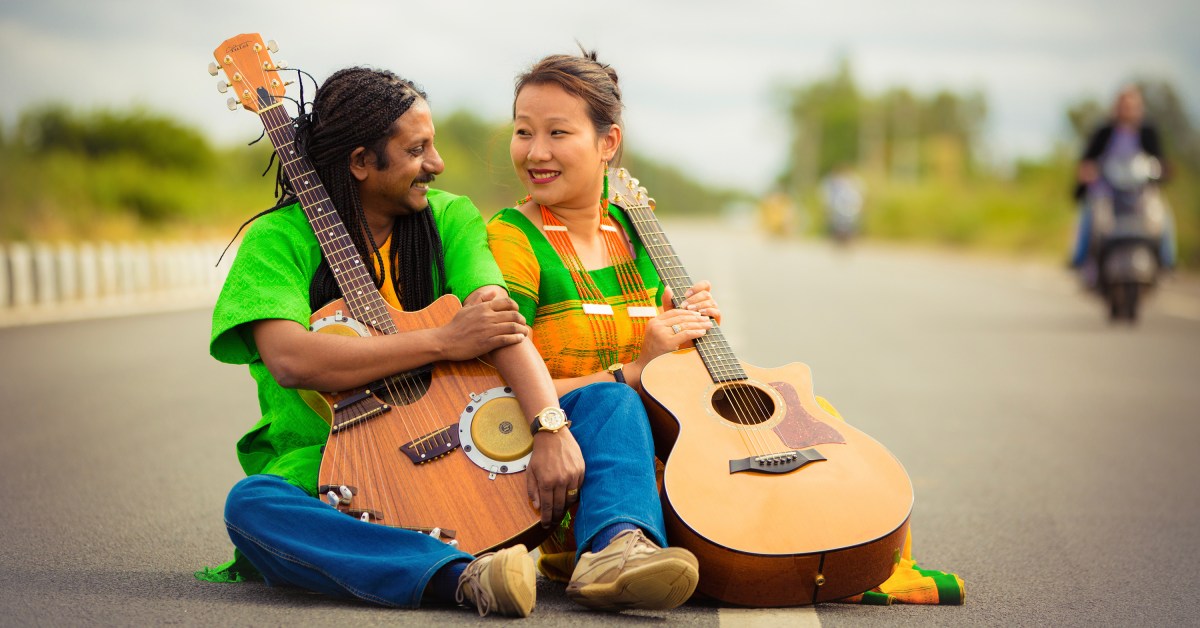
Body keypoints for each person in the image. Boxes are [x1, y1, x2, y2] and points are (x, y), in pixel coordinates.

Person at [197, 66, 693, 616]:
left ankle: (618, 547)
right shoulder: (275, 240)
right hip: (332, 464)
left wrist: (549, 426)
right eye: (417, 150)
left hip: (471, 434)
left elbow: (499, 323)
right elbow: (291, 359)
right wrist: (441, 341)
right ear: (361, 162)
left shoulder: (450, 217)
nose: (436, 164)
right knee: (253, 506)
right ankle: (459, 577)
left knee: (610, 400)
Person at [488, 49, 964, 606]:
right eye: (524, 132)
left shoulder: (632, 231)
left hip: (661, 443)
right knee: (617, 408)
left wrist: (689, 334)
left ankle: (840, 544)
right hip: (568, 455)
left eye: (557, 133)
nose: (535, 152)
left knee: (814, 421)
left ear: (608, 144)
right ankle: (619, 547)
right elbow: (493, 393)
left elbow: (667, 370)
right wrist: (636, 371)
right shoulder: (511, 239)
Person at [1071, 84, 1176, 273]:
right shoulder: (1105, 131)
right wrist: (1088, 172)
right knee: (1090, 215)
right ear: (1116, 107)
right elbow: (1087, 161)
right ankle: (1078, 258)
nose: (1127, 110)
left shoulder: (1147, 131)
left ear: (1139, 107)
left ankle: (1167, 261)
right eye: (1124, 105)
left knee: (1162, 214)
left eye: (1132, 105)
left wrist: (1163, 170)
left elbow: (1160, 159)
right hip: (1107, 188)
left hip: (1140, 188)